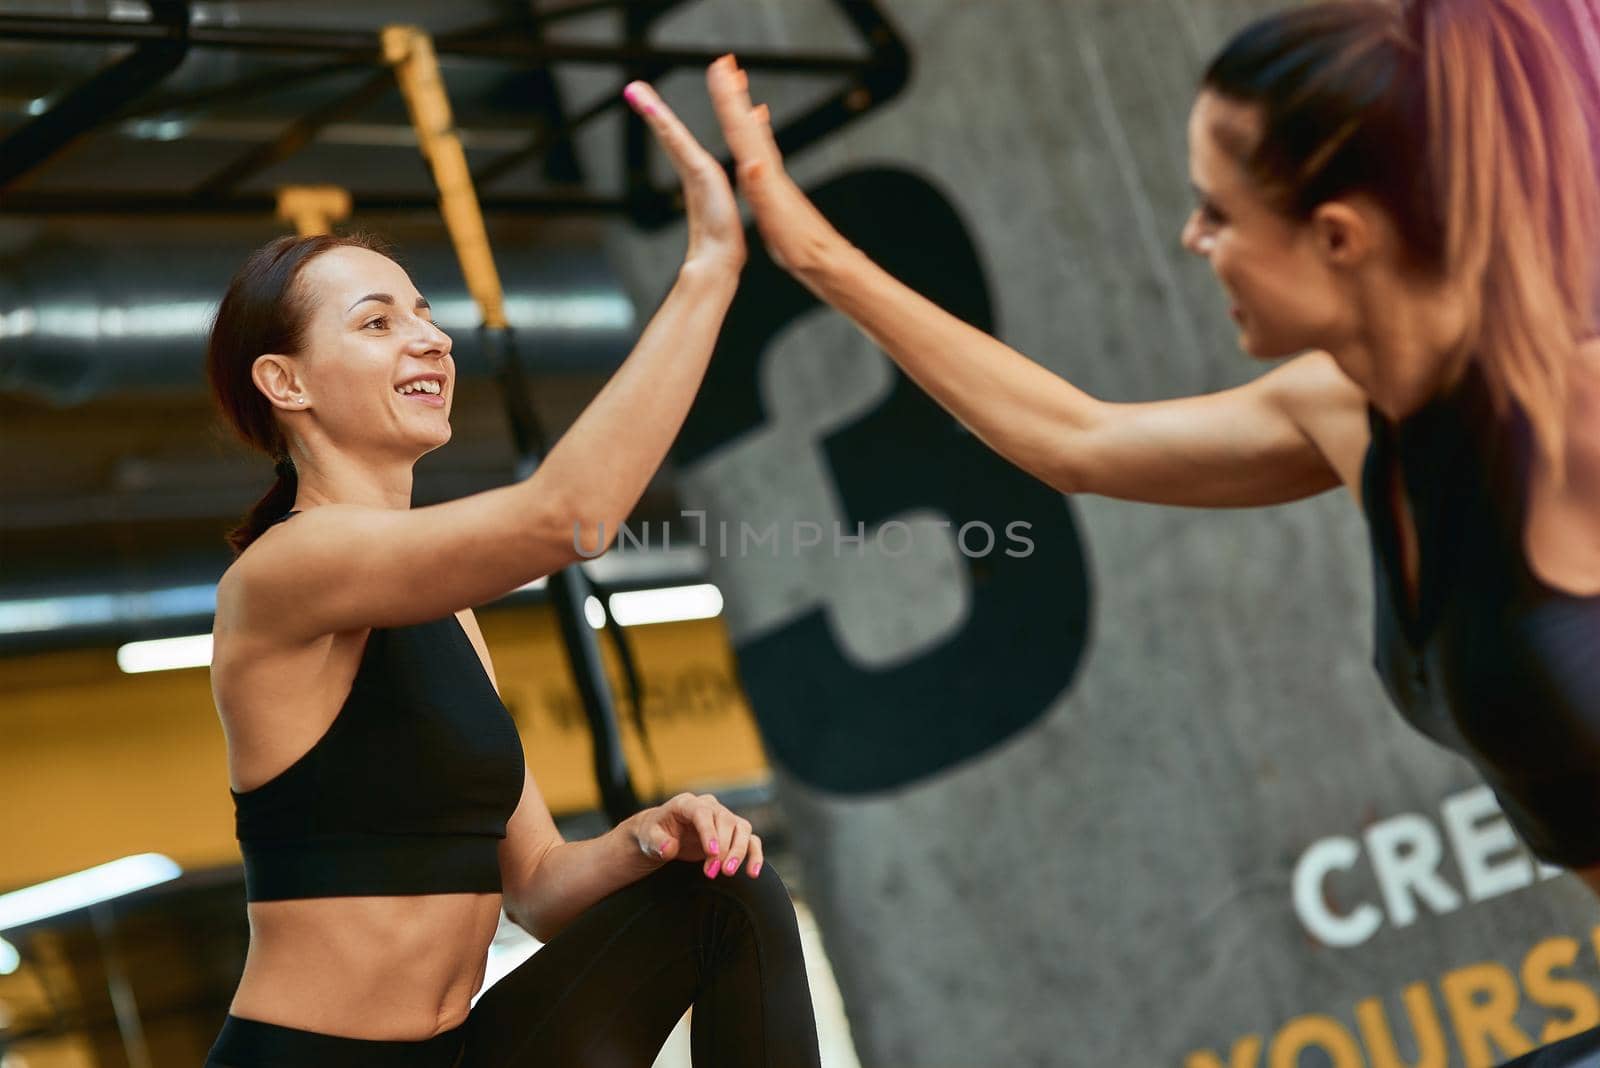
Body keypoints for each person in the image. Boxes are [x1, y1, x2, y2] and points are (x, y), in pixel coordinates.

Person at [707, 2, 1600, 1058]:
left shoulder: (1573, 421)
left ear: (1336, 236)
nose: (1192, 238)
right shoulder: (1348, 412)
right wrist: (813, 253)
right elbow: (1072, 439)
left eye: (1216, 213)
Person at [202, 69, 821, 1068]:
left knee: (728, 894)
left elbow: (534, 886)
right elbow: (568, 519)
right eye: (376, 323)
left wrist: (647, 838)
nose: (430, 338)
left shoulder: (440, 607)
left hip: (467, 1049)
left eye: (421, 314)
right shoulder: (286, 571)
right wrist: (709, 267)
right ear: (285, 383)